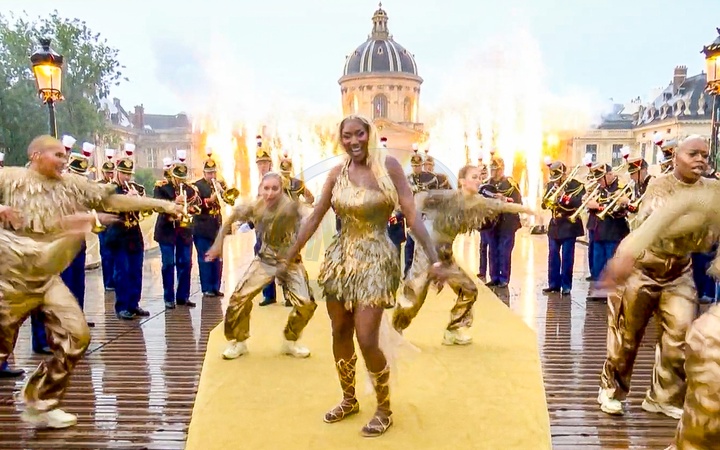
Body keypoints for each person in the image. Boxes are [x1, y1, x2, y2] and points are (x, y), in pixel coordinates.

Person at [276, 115, 445, 438]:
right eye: (347, 136)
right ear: (341, 139)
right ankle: (349, 399)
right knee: (340, 330)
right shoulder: (337, 173)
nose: (353, 141)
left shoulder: (389, 168)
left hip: (377, 259)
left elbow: (411, 215)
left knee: (367, 337)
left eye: (359, 134)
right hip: (340, 260)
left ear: (370, 134)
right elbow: (315, 216)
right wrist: (289, 255)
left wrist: (435, 258)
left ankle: (384, 408)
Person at [0, 135, 180, 428]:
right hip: (11, 278)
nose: (63, 160)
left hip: (46, 278)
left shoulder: (71, 185)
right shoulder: (9, 178)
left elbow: (111, 199)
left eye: (64, 155)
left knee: (77, 336)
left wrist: (163, 205)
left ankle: (41, 402)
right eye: (57, 155)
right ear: (35, 155)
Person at [598, 136, 715, 420]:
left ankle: (663, 397)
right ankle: (611, 390)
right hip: (642, 268)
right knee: (626, 336)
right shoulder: (659, 185)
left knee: (680, 335)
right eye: (693, 154)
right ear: (676, 157)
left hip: (679, 271)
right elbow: (659, 224)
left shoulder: (712, 189)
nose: (700, 160)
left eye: (704, 155)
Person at [392, 164, 533, 344]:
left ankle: (454, 330)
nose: (478, 180)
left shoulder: (479, 201)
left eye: (479, 177)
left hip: (445, 253)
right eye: (474, 177)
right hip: (427, 250)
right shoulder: (447, 196)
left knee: (468, 289)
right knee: (415, 294)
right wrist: (414, 216)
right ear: (462, 181)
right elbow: (420, 197)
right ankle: (395, 329)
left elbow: (501, 206)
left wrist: (527, 210)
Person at [206, 172, 317, 359]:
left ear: (282, 190)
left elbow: (310, 221)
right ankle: (238, 341)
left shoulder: (291, 208)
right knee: (238, 298)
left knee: (306, 304)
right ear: (260, 189)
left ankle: (291, 340)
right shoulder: (254, 206)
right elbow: (230, 219)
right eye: (266, 188)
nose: (270, 193)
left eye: (275, 189)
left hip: (291, 260)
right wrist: (218, 245)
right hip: (266, 260)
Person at [540, 161, 585, 295]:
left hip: (569, 224)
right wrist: (551, 198)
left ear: (564, 174)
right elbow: (544, 204)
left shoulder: (576, 185)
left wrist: (563, 197)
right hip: (555, 224)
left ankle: (566, 285)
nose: (556, 181)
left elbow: (579, 202)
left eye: (558, 178)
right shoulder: (550, 185)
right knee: (553, 255)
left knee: (567, 257)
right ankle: (553, 284)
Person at [485, 156, 522, 288]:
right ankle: (494, 277)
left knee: (504, 251)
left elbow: (518, 202)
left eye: (496, 169)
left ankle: (504, 278)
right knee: (493, 250)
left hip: (507, 222)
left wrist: (505, 199)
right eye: (492, 169)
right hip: (492, 223)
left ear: (502, 169)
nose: (494, 172)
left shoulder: (510, 184)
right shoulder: (487, 184)